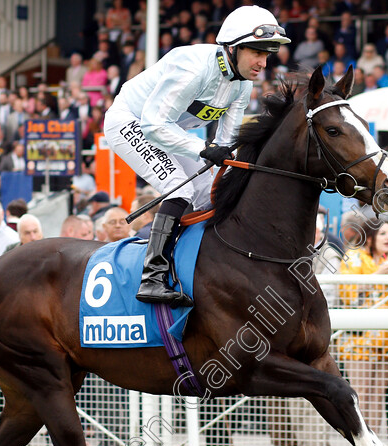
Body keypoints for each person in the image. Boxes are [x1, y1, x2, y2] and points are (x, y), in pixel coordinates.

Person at [104, 5, 290, 307]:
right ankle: (151, 277)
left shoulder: (242, 84)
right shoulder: (193, 68)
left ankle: (194, 268)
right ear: (234, 47)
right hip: (132, 122)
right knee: (183, 187)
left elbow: (226, 142)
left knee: (209, 194)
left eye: (267, 54)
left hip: (169, 132)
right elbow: (153, 125)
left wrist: (230, 171)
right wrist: (203, 150)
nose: (262, 62)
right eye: (257, 52)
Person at [339, 221, 388, 441]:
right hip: (360, 342)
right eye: (382, 233)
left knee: (378, 397)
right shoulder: (354, 257)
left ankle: (375, 445)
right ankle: (360, 445)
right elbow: (347, 294)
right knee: (360, 395)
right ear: (369, 237)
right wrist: (378, 274)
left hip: (387, 340)